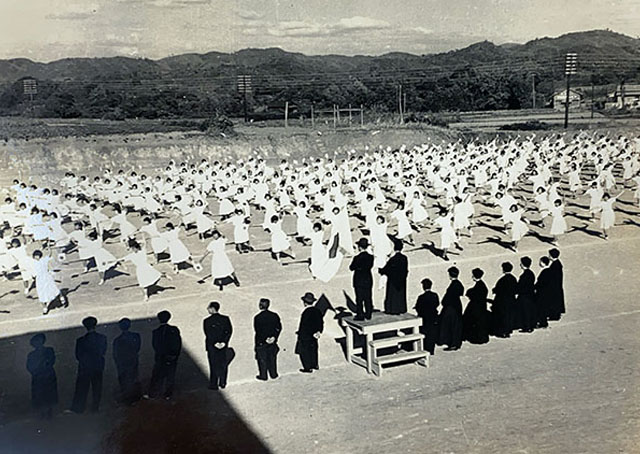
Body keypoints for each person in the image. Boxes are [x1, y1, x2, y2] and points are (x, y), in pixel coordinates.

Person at [68, 316, 107, 414]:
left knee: (82, 388)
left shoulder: (80, 340)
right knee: (97, 387)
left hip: (85, 367)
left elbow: (78, 355)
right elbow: (103, 351)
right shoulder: (102, 338)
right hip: (97, 365)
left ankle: (79, 408)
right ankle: (95, 407)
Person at [148, 311, 182, 399]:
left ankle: (153, 393)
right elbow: (178, 343)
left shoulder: (156, 332)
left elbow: (155, 345)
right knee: (170, 375)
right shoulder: (174, 329)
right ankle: (168, 394)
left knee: (157, 375)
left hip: (160, 357)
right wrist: (175, 355)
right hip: (172, 356)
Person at [26, 333, 58, 419]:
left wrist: (44, 368)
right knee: (40, 395)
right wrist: (35, 372)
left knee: (49, 394)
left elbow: (52, 361)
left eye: (39, 341)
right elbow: (29, 366)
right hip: (38, 377)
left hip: (48, 375)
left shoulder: (49, 350)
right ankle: (42, 412)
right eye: (36, 342)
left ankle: (49, 411)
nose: (38, 343)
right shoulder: (31, 355)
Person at [203, 302, 233, 390]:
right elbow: (229, 331)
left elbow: (208, 334)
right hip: (223, 346)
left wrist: (215, 343)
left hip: (212, 346)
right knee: (223, 364)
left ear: (212, 309)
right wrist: (224, 342)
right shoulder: (225, 319)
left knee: (213, 365)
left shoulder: (207, 321)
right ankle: (223, 382)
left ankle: (214, 383)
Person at [112, 318, 142, 405]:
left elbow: (115, 353)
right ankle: (135, 397)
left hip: (122, 363)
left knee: (124, 380)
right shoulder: (136, 336)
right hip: (133, 360)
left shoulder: (117, 340)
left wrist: (118, 362)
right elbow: (137, 348)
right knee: (134, 377)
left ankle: (126, 397)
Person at [253, 298, 282, 381]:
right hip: (272, 341)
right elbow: (279, 327)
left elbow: (258, 330)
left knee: (262, 359)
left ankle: (263, 375)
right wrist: (274, 337)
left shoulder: (257, 317)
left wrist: (265, 339)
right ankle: (273, 374)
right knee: (272, 358)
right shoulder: (274, 315)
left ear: (260, 306)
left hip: (262, 341)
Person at [295, 292, 324, 373]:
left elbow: (304, 325)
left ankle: (307, 368)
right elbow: (321, 322)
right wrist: (318, 331)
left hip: (306, 335)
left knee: (305, 352)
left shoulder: (306, 312)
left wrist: (300, 333)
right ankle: (315, 364)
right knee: (313, 349)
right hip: (314, 335)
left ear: (304, 302)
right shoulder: (317, 311)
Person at [379, 239, 409, 315]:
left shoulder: (393, 259)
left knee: (392, 296)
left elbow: (386, 269)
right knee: (401, 295)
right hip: (401, 280)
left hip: (393, 280)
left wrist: (381, 270)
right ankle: (401, 308)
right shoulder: (404, 258)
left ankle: (392, 310)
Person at [438, 266, 464, 351]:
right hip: (457, 306)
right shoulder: (459, 284)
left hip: (451, 307)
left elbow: (447, 298)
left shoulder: (453, 286)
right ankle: (454, 342)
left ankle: (452, 343)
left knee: (450, 324)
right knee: (455, 325)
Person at [349, 237, 374, 320]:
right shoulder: (371, 257)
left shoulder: (357, 258)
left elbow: (351, 267)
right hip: (367, 278)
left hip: (359, 279)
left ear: (359, 247)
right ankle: (368, 313)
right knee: (368, 297)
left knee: (359, 298)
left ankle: (360, 314)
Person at [462, 268, 489, 344]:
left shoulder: (478, 286)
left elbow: (473, 294)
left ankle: (476, 338)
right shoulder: (482, 285)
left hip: (476, 307)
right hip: (481, 306)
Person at [491, 262, 518, 338]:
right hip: (511, 299)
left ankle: (503, 331)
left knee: (502, 316)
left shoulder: (502, 280)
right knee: (509, 316)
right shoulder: (513, 278)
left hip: (503, 300)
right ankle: (508, 330)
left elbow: (498, 289)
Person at [413, 278, 440, 355]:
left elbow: (418, 307)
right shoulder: (435, 295)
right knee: (432, 334)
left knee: (425, 333)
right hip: (433, 316)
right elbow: (437, 304)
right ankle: (431, 350)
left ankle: (425, 349)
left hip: (424, 318)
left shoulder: (421, 297)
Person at [515, 257, 536, 333]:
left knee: (524, 312)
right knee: (529, 311)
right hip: (530, 295)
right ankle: (530, 325)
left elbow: (520, 286)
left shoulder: (524, 276)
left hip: (524, 296)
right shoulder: (531, 273)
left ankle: (527, 327)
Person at [535, 256, 553, 328]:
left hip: (542, 294)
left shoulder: (544, 272)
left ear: (543, 263)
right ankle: (543, 322)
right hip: (547, 293)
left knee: (541, 309)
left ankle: (543, 323)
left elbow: (540, 283)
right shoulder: (549, 271)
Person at [547, 248, 566, 321]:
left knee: (554, 301)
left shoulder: (555, 265)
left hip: (554, 287)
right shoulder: (557, 263)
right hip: (557, 286)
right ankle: (555, 314)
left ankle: (554, 315)